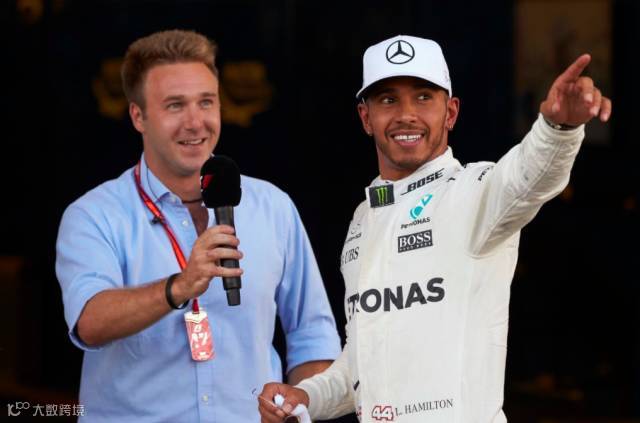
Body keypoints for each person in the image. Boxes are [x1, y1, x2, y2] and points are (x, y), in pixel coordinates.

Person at [258, 35, 612, 422]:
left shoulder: (475, 192)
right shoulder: (363, 217)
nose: (406, 114)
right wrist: (305, 395)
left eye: (424, 97)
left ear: (451, 112)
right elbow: (362, 363)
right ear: (365, 117)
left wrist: (558, 127)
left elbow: (529, 177)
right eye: (388, 99)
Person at [55, 29, 341, 422]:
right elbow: (89, 322)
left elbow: (312, 334)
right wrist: (180, 286)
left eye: (206, 102)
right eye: (175, 105)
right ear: (138, 116)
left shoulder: (272, 207)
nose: (195, 123)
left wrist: (301, 403)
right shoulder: (94, 214)